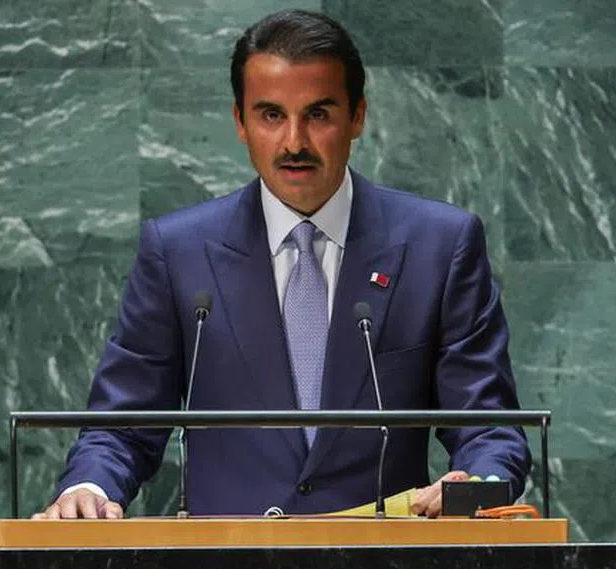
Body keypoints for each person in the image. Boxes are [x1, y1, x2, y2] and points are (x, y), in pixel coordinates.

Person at [36, 9, 530, 520]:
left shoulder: (440, 246)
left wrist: (478, 483)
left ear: (357, 116)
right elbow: (123, 423)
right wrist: (91, 486)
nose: (294, 142)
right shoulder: (177, 252)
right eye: (271, 115)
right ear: (240, 122)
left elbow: (487, 424)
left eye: (318, 114)